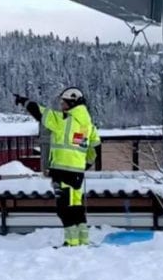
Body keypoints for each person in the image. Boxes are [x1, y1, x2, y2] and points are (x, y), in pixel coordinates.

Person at [13, 87, 100, 247]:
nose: (61, 105)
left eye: (64, 102)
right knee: (76, 206)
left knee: (64, 209)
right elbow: (95, 148)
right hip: (77, 173)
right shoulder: (87, 123)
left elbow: (40, 112)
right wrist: (83, 165)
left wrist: (24, 101)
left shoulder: (64, 120)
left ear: (72, 102)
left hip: (62, 171)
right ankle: (82, 240)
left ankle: (71, 242)